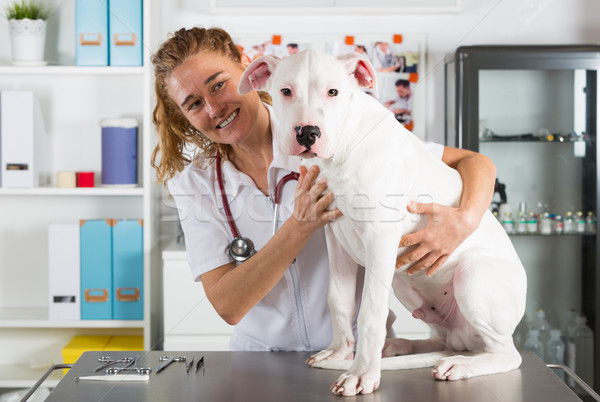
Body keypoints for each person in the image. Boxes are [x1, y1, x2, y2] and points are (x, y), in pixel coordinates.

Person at [151, 27, 497, 352]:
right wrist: (299, 226)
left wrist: (465, 221)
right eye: (193, 103)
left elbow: (473, 162)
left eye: (218, 85)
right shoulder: (195, 184)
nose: (214, 108)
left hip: (357, 350)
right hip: (258, 358)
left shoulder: (341, 136)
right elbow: (228, 306)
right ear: (184, 117)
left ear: (248, 71)